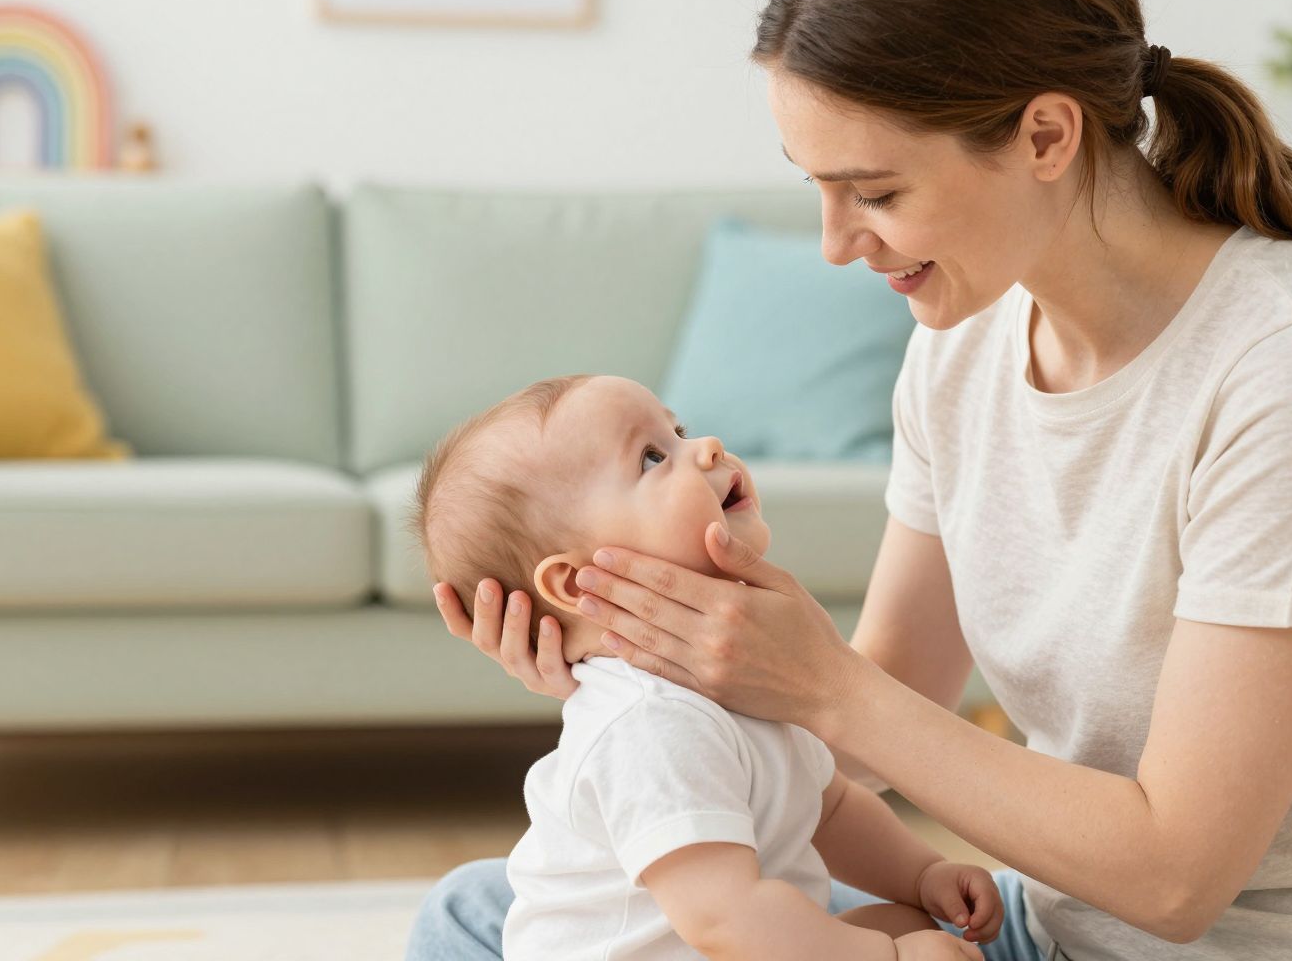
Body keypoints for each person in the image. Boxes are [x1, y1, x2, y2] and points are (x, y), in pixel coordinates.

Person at [414, 0, 1292, 958]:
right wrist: (639, 687)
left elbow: (1176, 879)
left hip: (1217, 941)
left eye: (877, 193)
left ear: (1044, 135)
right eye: (817, 186)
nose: (834, 243)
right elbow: (875, 713)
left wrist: (821, 684)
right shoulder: (969, 340)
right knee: (488, 906)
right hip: (1048, 914)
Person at [409, 373, 1002, 960]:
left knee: (904, 920)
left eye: (679, 430)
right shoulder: (651, 722)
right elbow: (726, 920)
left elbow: (832, 806)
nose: (708, 446)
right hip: (720, 935)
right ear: (576, 580)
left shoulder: (744, 677)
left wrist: (923, 875)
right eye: (650, 457)